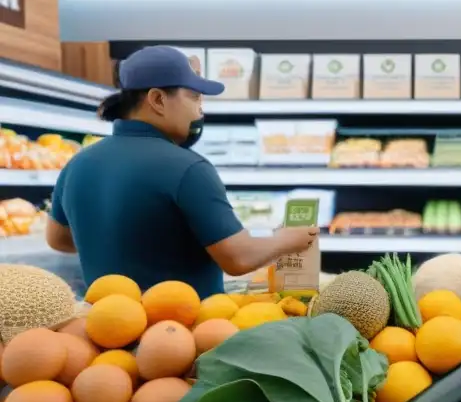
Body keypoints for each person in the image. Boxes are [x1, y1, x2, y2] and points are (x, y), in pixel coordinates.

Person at [46, 45, 317, 298]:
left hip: (107, 328)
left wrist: (126, 245)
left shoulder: (76, 164)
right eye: (194, 96)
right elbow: (238, 258)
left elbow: (57, 239)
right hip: (182, 334)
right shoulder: (187, 168)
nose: (200, 109)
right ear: (157, 100)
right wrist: (286, 240)